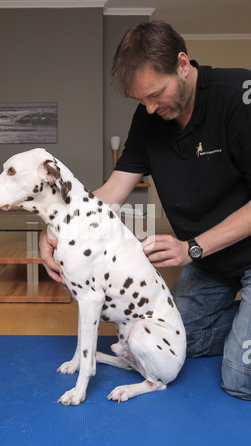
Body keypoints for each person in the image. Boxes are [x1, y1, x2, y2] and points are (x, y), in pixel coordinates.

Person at [40, 20, 251, 400]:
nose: (151, 109)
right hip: (211, 265)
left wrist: (192, 249)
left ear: (183, 65)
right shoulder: (150, 117)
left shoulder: (237, 96)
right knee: (164, 347)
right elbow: (111, 192)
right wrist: (57, 228)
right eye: (142, 102)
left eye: (156, 94)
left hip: (220, 252)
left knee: (239, 377)